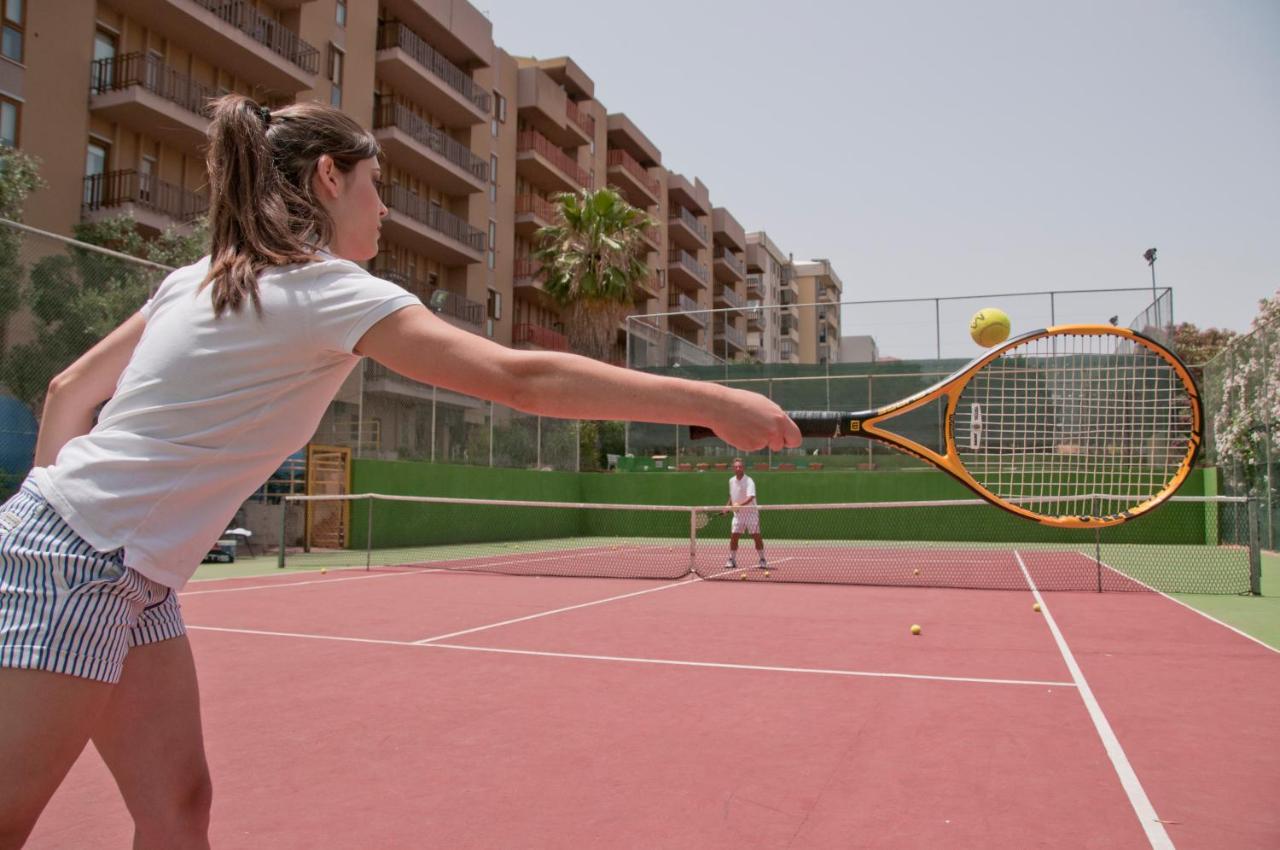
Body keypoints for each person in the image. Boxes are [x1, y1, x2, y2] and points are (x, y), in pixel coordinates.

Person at [0, 95, 801, 849]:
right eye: (376, 186)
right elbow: (516, 379)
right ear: (329, 179)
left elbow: (69, 391)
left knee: (178, 808)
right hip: (80, 565)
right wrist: (710, 401)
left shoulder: (198, 277)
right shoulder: (324, 290)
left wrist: (58, 516)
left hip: (121, 572)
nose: (384, 208)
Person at [724, 457, 767, 570]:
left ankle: (762, 559)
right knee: (734, 537)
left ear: (743, 468)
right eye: (736, 467)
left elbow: (750, 497)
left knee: (756, 537)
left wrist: (738, 505)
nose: (738, 468)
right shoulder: (731, 481)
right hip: (738, 515)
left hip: (751, 513)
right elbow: (731, 495)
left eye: (740, 466)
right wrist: (727, 506)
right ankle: (732, 559)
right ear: (733, 468)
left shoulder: (749, 481)